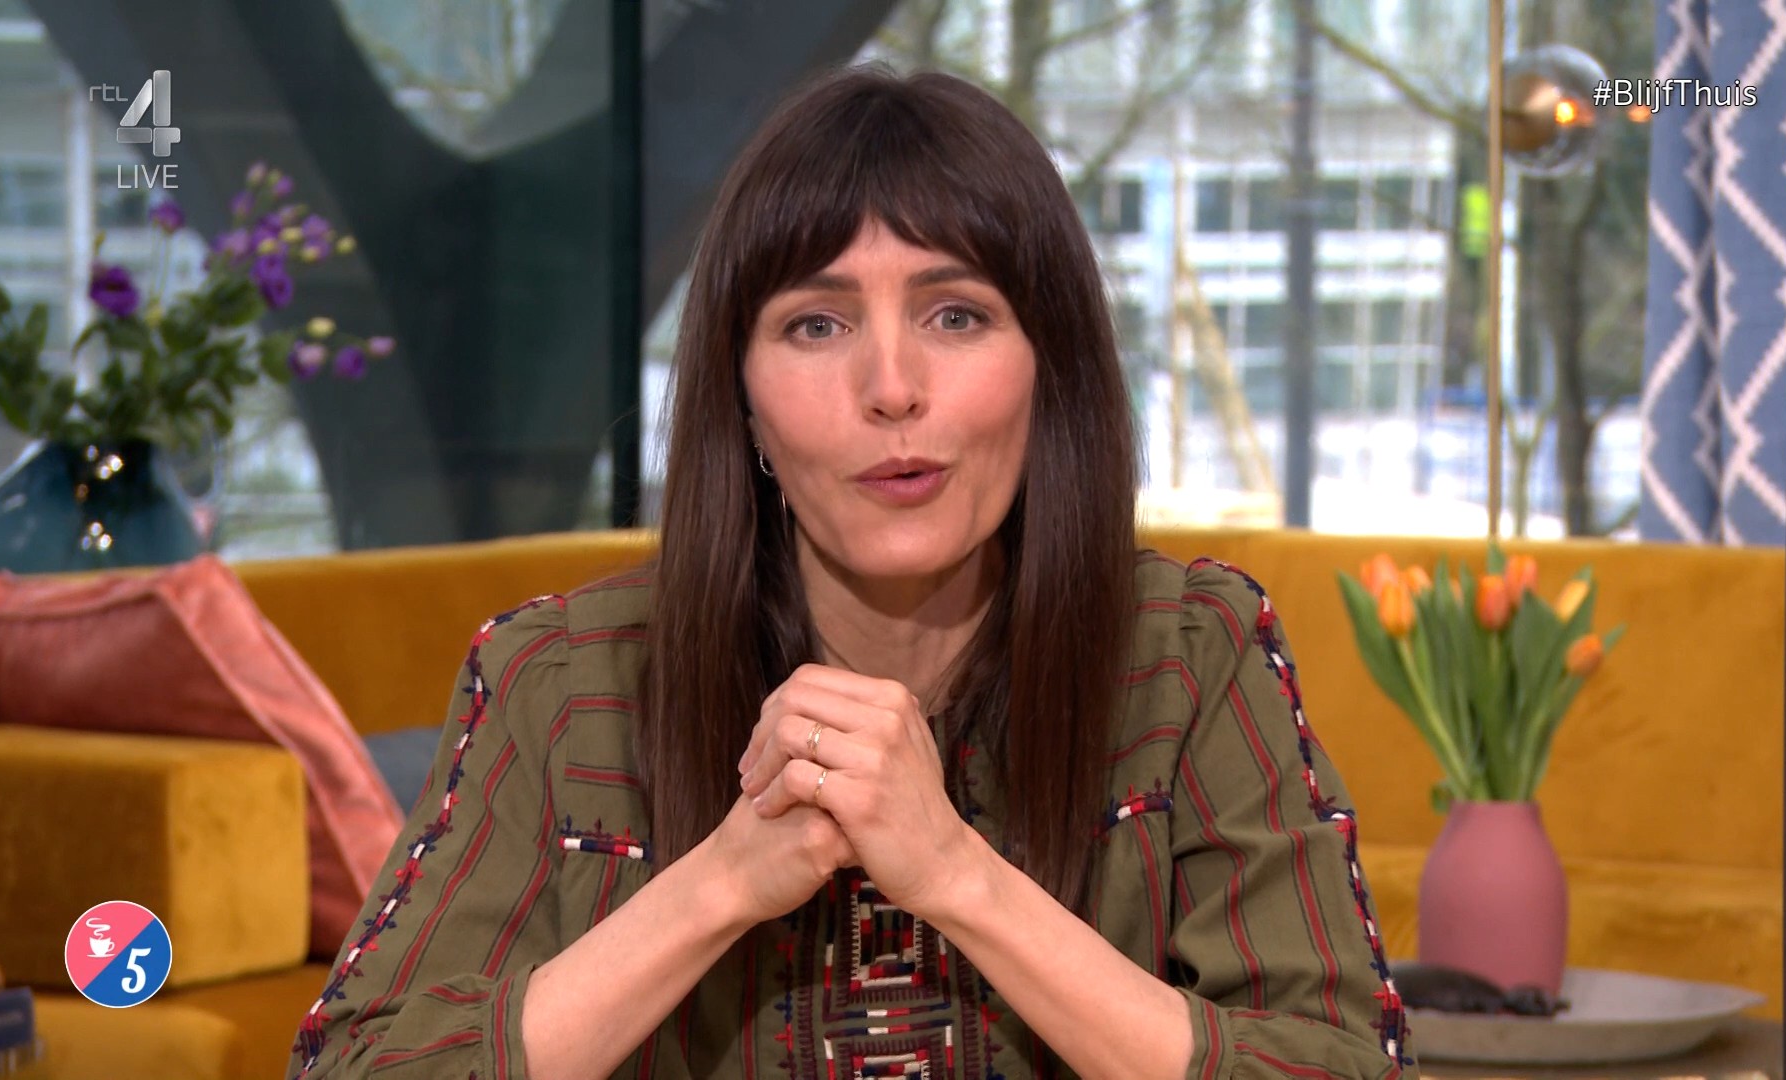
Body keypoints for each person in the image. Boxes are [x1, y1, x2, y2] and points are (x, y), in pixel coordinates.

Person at [287, 63, 1413, 1080]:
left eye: (956, 315)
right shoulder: (562, 680)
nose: (891, 388)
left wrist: (956, 876)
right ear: (744, 403)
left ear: (1049, 369)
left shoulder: (1191, 655)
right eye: (817, 325)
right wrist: (720, 882)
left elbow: (1342, 1065)